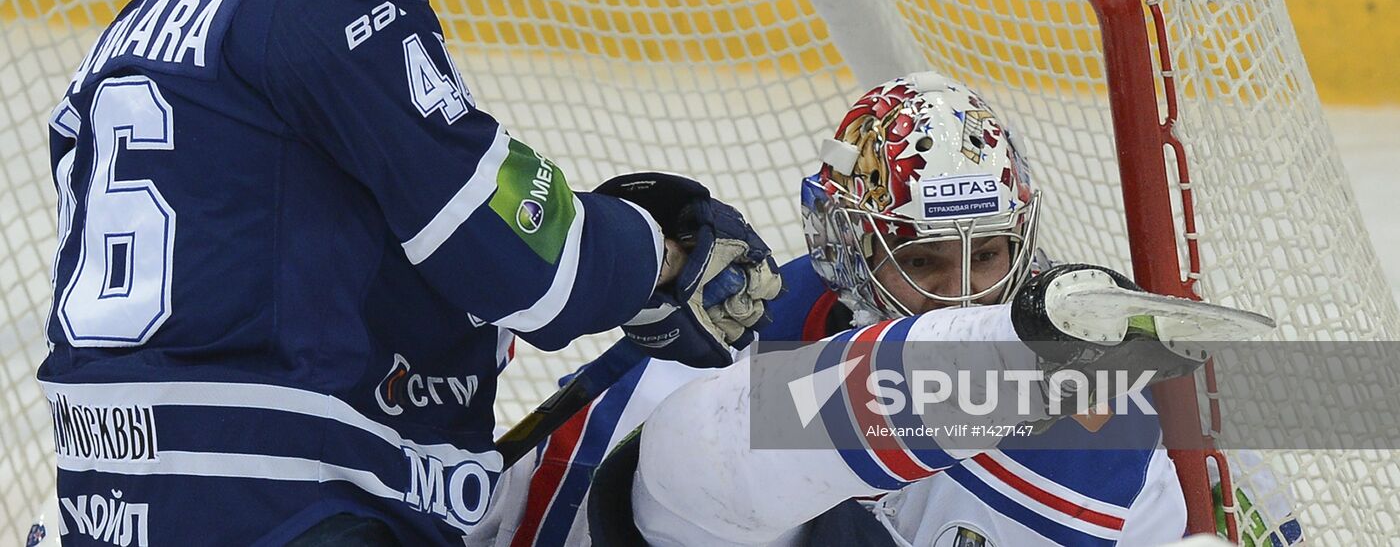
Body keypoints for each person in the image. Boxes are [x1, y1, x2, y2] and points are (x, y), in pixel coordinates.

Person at [36, 0, 780, 546]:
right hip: (297, 512)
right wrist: (661, 252)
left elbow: (282, 269)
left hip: (103, 510)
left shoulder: (113, 46)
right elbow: (521, 260)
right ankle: (951, 386)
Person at [508, 72, 1276, 546]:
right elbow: (563, 505)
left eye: (989, 253)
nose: (965, 291)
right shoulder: (748, 330)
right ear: (847, 250)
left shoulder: (1124, 439)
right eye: (922, 260)